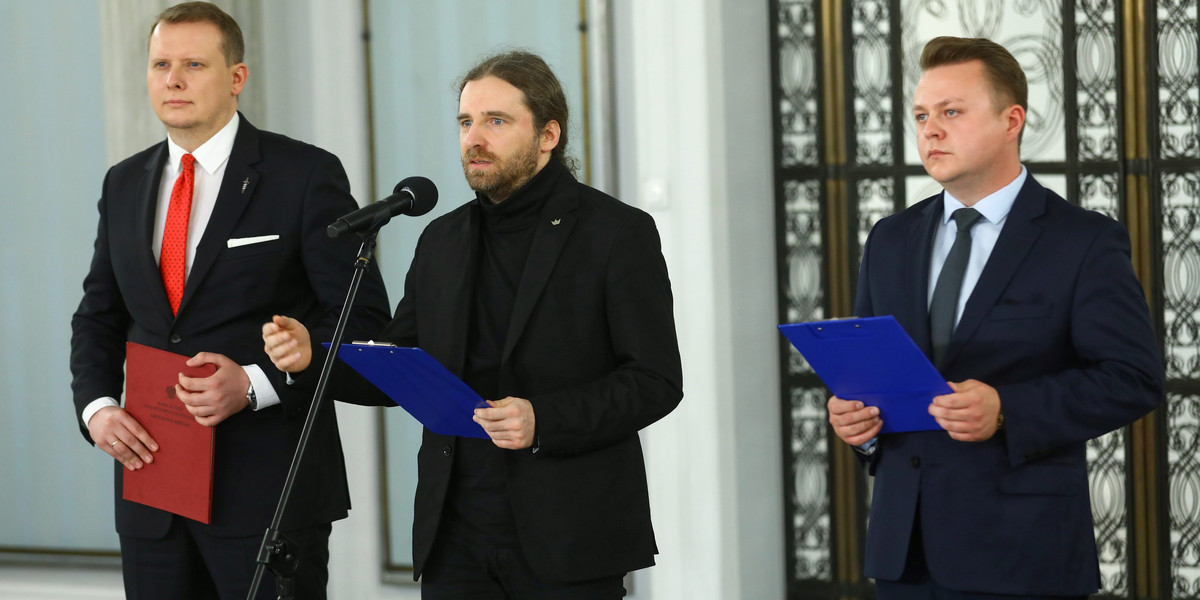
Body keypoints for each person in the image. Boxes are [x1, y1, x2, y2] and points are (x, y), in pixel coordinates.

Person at [263, 50, 683, 599]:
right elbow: (399, 367)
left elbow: (655, 380)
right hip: (455, 533)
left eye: (496, 121)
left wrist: (543, 419)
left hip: (569, 534)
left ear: (548, 135)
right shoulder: (442, 239)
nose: (474, 138)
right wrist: (314, 357)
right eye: (466, 122)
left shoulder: (615, 233)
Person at [69, 3, 391, 598]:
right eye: (161, 64)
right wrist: (96, 409)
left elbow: (363, 321)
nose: (174, 79)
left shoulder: (304, 174)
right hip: (152, 486)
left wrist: (253, 382)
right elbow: (98, 315)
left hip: (266, 493)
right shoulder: (123, 181)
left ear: (237, 78)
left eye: (194, 63)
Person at [827, 36, 1162, 599]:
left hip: (1023, 556)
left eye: (951, 112)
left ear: (1012, 121)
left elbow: (1133, 378)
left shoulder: (1081, 242)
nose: (930, 130)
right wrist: (856, 423)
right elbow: (873, 373)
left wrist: (1007, 409)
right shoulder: (890, 239)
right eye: (921, 115)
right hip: (903, 557)